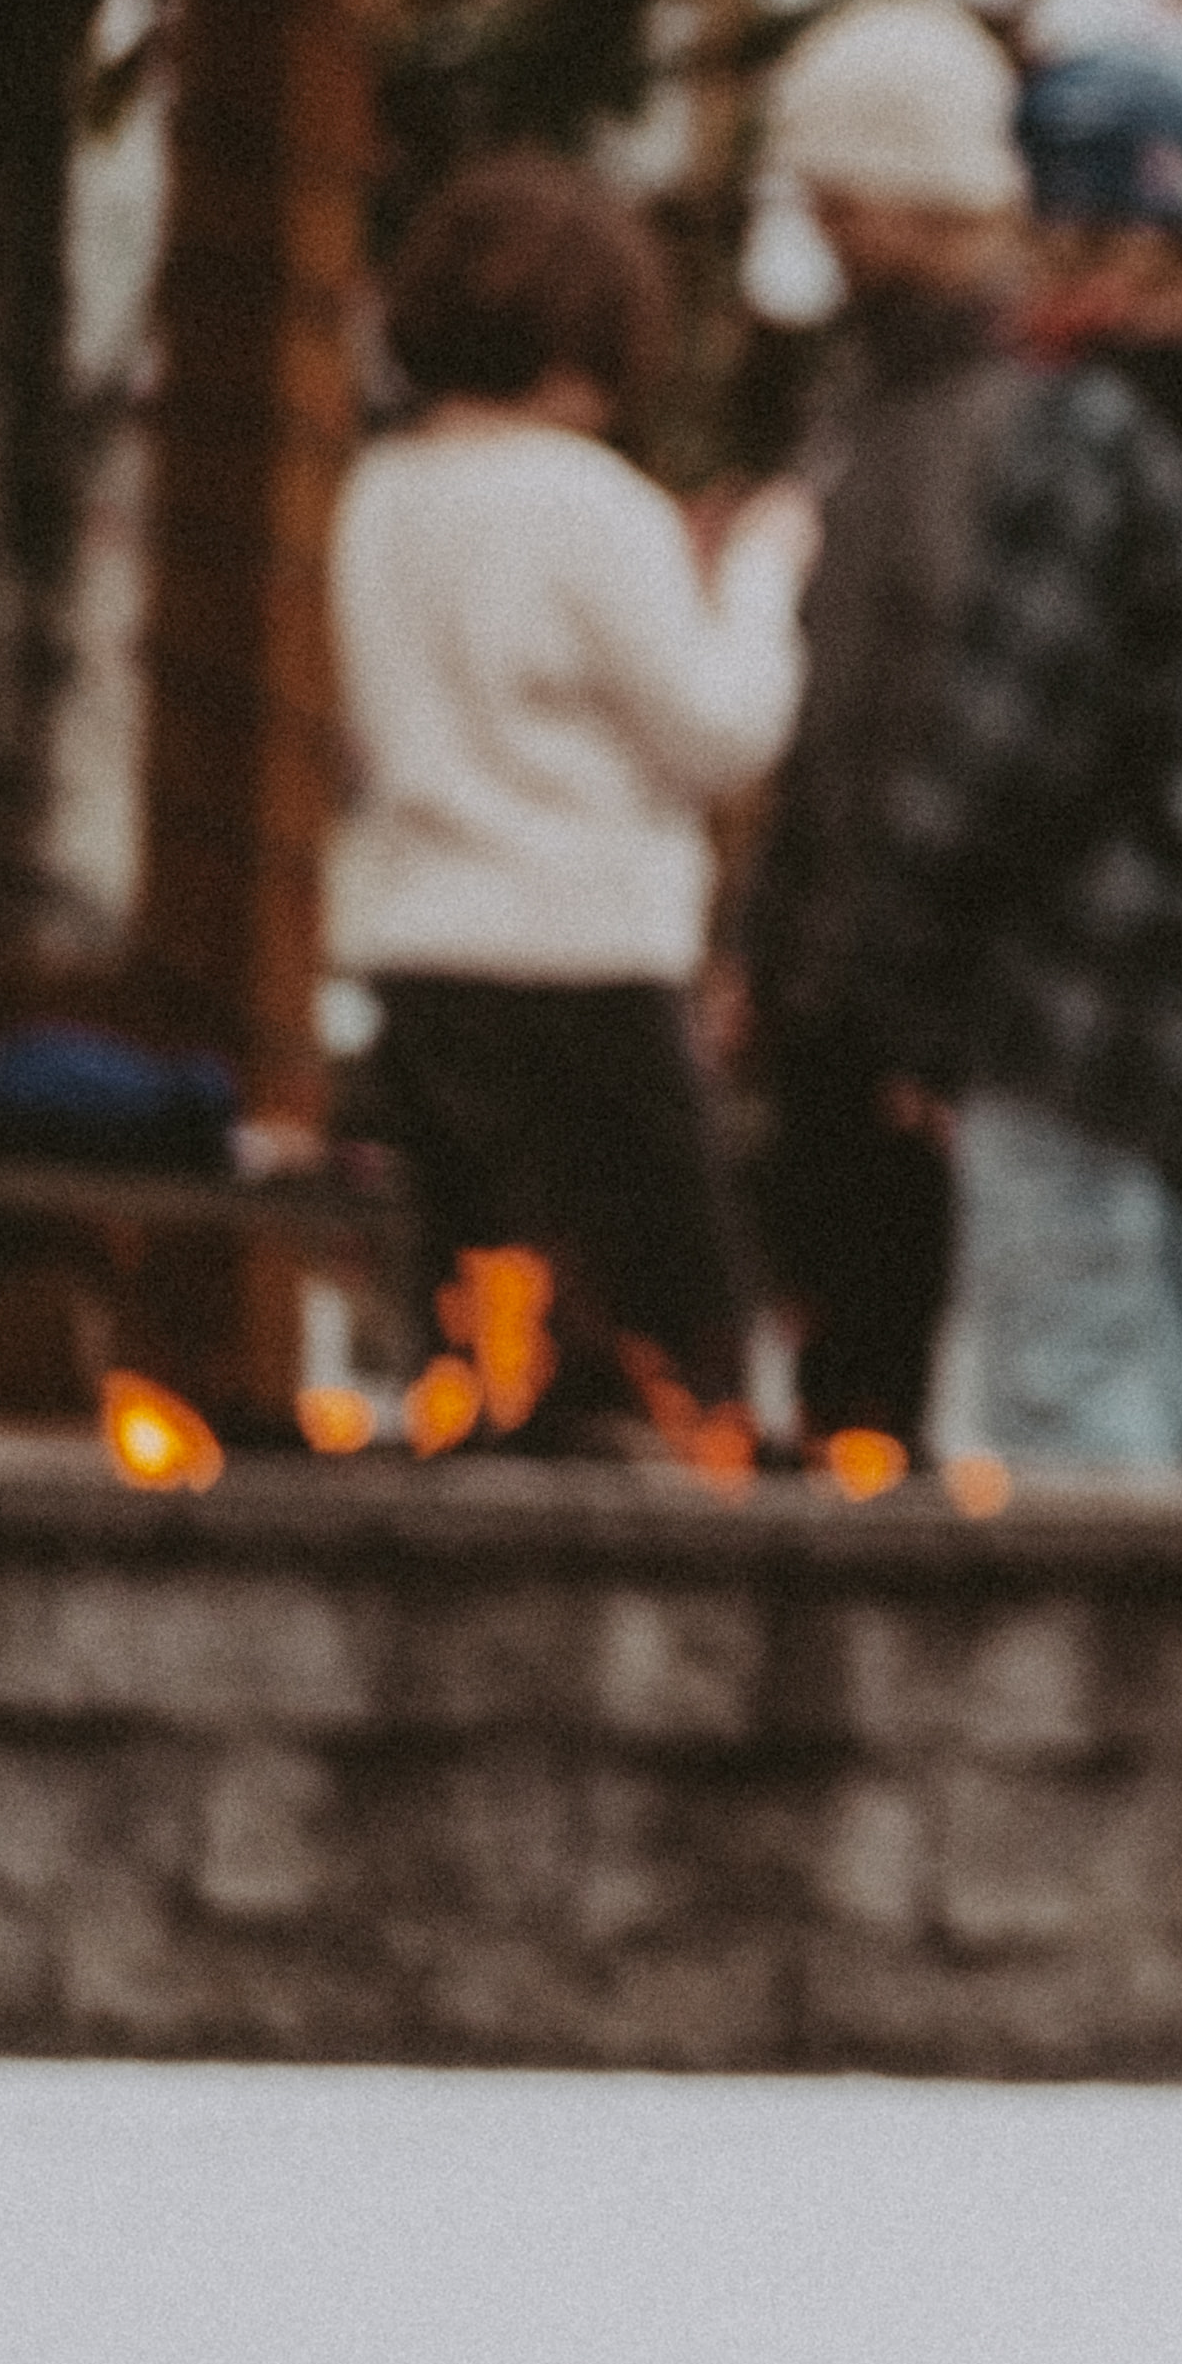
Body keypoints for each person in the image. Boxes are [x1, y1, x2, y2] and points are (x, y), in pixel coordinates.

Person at [851, 34, 1182, 1483]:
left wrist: (908, 986)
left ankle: (1113, 1714)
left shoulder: (1086, 428)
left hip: (1073, 994)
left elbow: (1007, 739)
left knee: (1068, 1399)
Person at [329, 151, 804, 1446]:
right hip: (588, 960)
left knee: (480, 1340)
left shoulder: (379, 497)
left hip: (423, 953)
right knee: (679, 1348)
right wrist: (760, 579)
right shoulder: (598, 507)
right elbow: (718, 730)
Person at [725, 0, 1030, 1457]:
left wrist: (926, 1001)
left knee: (882, 1381)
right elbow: (837, 708)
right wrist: (771, 941)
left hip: (910, 1000)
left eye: (846, 201)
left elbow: (947, 723)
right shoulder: (873, 403)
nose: (831, 234)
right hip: (847, 985)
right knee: (843, 1365)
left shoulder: (985, 420)